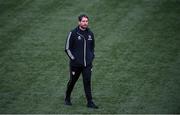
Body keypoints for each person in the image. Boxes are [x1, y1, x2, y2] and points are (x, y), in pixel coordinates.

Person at [64, 14, 98, 109]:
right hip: (76, 65)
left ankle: (90, 102)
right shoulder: (73, 33)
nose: (85, 23)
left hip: (87, 64)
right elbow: (67, 48)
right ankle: (67, 98)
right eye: (83, 21)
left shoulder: (90, 34)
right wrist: (74, 59)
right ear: (79, 22)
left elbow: (92, 48)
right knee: (72, 81)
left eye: (86, 21)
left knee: (87, 81)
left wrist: (91, 57)